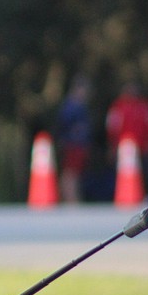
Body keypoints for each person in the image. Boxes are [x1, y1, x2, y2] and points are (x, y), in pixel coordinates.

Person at [105, 82, 148, 199]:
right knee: (124, 171)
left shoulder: (145, 106)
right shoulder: (118, 107)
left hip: (144, 145)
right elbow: (112, 127)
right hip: (125, 148)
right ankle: (124, 194)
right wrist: (112, 146)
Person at [55, 74, 93, 203]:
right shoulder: (72, 106)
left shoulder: (78, 106)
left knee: (73, 173)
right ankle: (71, 198)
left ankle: (70, 197)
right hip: (73, 145)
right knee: (70, 174)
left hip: (77, 145)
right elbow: (64, 125)